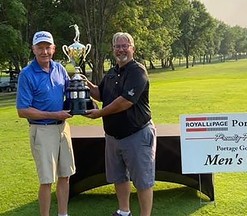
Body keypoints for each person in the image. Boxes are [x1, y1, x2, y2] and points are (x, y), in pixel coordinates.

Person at [84, 32, 157, 216]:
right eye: (117, 46)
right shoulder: (112, 71)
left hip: (137, 135)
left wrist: (100, 113)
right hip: (113, 137)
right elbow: (101, 94)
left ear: (133, 48)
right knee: (119, 177)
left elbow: (125, 101)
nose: (121, 49)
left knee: (142, 180)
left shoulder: (137, 71)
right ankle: (124, 211)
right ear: (113, 49)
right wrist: (83, 83)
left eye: (125, 45)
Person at [16, 31, 75, 216]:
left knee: (65, 176)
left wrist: (86, 103)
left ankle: (63, 214)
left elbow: (71, 93)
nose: (44, 52)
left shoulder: (60, 69)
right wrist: (54, 113)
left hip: (63, 128)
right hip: (42, 130)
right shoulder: (26, 74)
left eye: (47, 47)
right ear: (33, 49)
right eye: (40, 48)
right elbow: (22, 110)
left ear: (54, 49)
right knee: (47, 180)